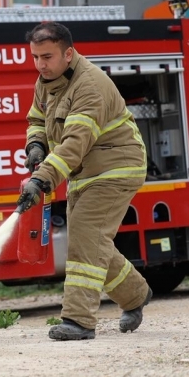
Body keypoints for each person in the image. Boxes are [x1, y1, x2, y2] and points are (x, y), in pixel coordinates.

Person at [17, 22, 152, 340]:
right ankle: (135, 295)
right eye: (35, 57)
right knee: (92, 241)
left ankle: (78, 321)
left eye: (47, 57)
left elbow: (74, 144)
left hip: (115, 168)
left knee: (84, 236)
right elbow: (37, 118)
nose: (40, 65)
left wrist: (41, 179)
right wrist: (35, 144)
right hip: (84, 172)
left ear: (68, 53)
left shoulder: (89, 85)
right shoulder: (46, 82)